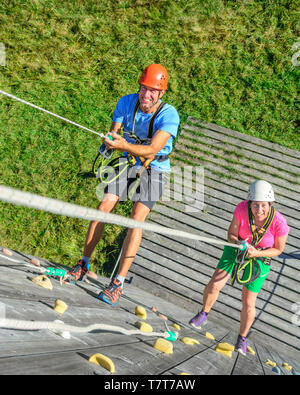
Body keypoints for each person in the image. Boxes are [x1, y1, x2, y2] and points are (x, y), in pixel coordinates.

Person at [69, 64, 180, 305]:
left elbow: (152, 149)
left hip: (155, 166)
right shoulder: (126, 102)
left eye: (152, 91)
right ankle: (83, 263)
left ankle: (118, 282)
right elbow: (114, 133)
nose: (146, 95)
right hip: (129, 160)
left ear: (161, 93)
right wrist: (109, 142)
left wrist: (122, 146)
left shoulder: (169, 115)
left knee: (135, 220)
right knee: (103, 208)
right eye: (143, 88)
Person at [189, 180, 290, 355]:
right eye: (255, 205)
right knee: (215, 283)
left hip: (261, 257)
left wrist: (256, 253)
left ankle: (241, 338)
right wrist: (239, 243)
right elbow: (231, 234)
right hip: (238, 246)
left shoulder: (279, 223)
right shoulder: (242, 208)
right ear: (250, 203)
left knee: (249, 301)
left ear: (270, 204)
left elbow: (279, 249)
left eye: (263, 205)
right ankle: (204, 313)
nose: (259, 210)